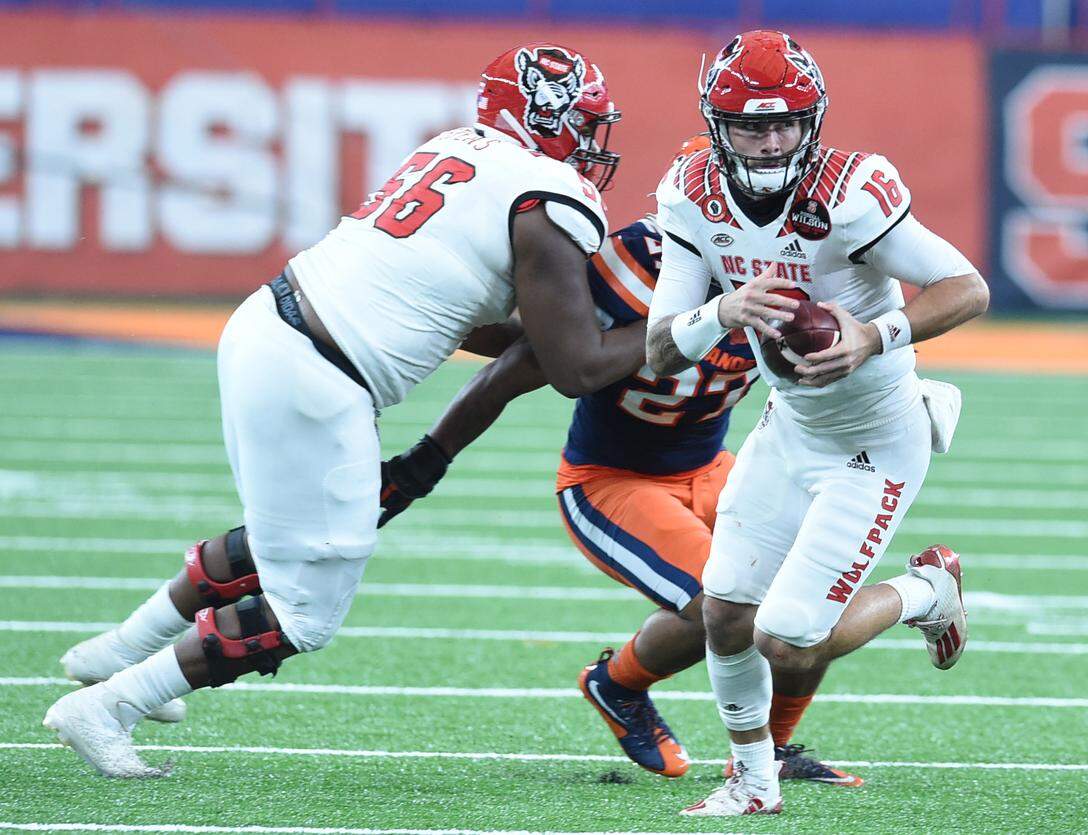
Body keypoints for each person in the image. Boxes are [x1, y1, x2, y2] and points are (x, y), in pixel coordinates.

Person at [42, 42, 650, 778]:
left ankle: (119, 650)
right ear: (541, 118)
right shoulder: (548, 194)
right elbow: (576, 366)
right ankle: (113, 703)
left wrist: (439, 447)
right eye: (581, 122)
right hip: (315, 374)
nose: (590, 142)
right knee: (305, 611)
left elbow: (468, 316)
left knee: (289, 535)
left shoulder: (458, 148)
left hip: (271, 326)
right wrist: (696, 320)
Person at [380, 192, 862, 787]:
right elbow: (527, 356)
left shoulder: (802, 270)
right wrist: (429, 456)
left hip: (714, 466)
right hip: (612, 481)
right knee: (721, 608)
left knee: (808, 595)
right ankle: (618, 685)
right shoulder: (630, 266)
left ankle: (777, 747)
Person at [644, 31, 989, 816]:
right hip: (791, 426)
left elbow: (965, 287)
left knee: (787, 639)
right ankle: (753, 784)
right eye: (751, 126)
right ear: (717, 125)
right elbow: (660, 350)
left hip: (876, 439)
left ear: (813, 120)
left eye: (787, 123)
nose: (772, 142)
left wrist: (872, 335)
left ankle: (925, 589)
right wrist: (722, 310)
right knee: (725, 609)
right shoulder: (690, 193)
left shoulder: (851, 191)